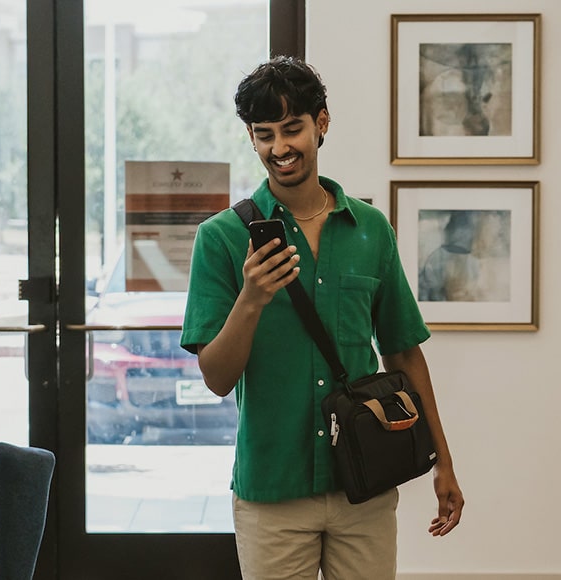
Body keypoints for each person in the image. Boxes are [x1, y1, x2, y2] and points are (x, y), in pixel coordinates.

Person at [180, 56, 464, 580]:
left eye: (293, 129)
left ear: (322, 123)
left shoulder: (370, 229)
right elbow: (217, 379)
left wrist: (442, 461)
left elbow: (404, 352)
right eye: (264, 134)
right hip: (273, 490)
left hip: (366, 481)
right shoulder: (220, 238)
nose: (280, 148)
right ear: (251, 138)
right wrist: (252, 297)